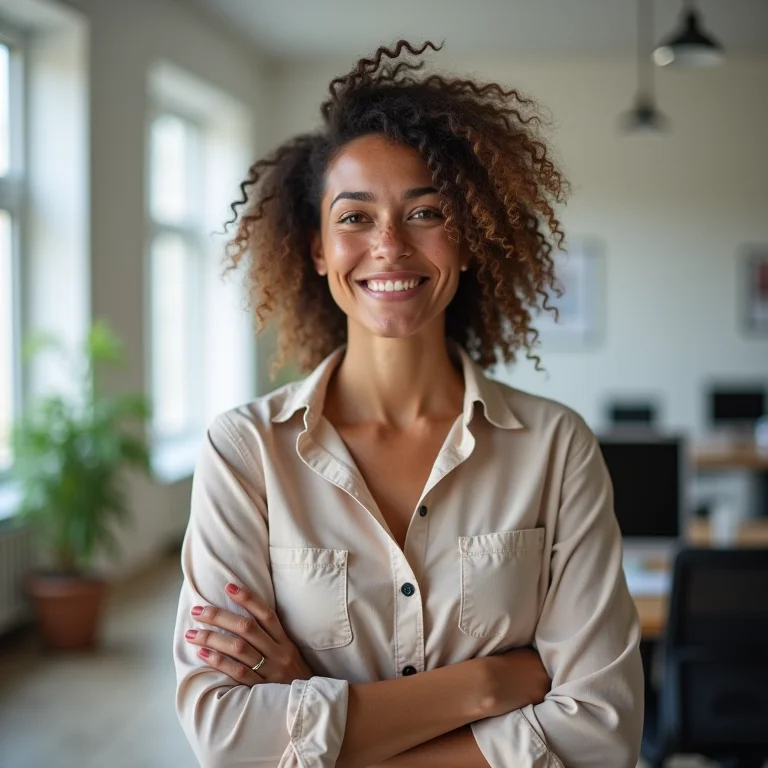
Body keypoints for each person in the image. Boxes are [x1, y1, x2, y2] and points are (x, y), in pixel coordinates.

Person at [173, 40, 643, 768]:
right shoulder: (246, 450)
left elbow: (603, 733)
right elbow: (225, 735)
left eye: (426, 211)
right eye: (355, 217)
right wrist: (490, 684)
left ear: (469, 237)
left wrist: (314, 711)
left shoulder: (555, 446)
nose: (389, 245)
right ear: (319, 249)